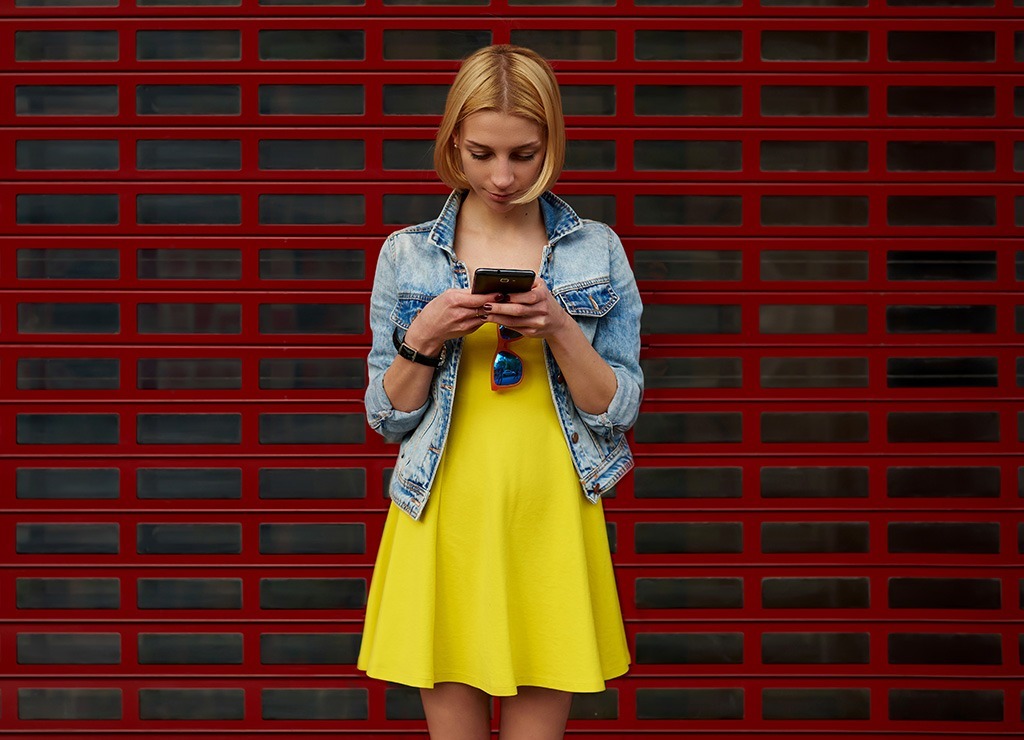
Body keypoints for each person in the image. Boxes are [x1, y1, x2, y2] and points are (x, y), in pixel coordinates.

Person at [357, 44, 643, 740]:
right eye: (481, 153)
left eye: (525, 154)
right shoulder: (408, 254)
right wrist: (423, 333)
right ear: (453, 139)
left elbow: (620, 406)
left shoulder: (595, 249)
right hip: (443, 515)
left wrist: (561, 330)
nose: (503, 175)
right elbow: (386, 418)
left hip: (551, 519)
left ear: (552, 145)